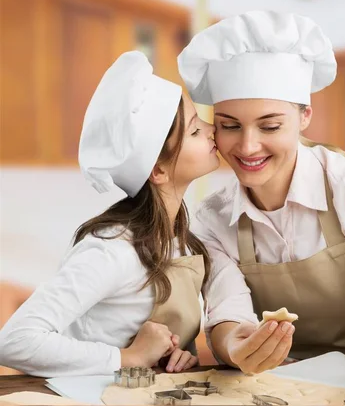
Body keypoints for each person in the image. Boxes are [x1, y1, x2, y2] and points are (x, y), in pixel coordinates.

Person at [178, 11, 345, 405]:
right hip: (275, 388)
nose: (248, 147)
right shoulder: (211, 220)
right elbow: (227, 316)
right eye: (230, 125)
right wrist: (237, 346)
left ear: (304, 116)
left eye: (269, 126)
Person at [0, 51, 220, 377]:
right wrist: (128, 357)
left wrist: (177, 356)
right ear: (157, 169)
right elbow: (15, 341)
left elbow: (157, 346)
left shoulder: (181, 241)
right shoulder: (113, 249)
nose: (213, 128)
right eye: (195, 131)